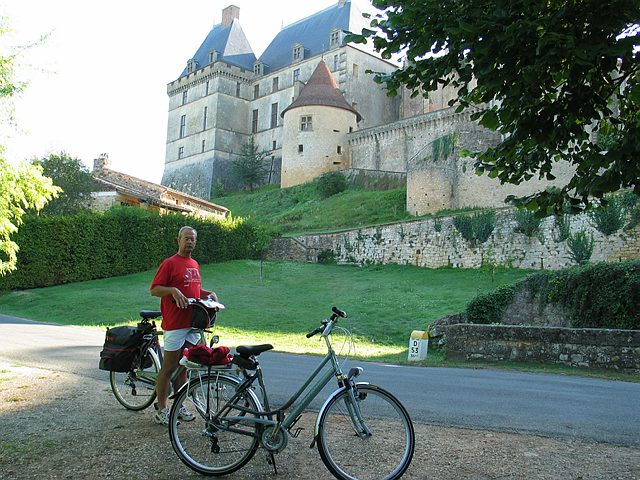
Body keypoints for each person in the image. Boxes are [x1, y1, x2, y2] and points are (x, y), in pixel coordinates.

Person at [149, 225, 218, 425]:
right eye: (186, 238)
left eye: (193, 239)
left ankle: (179, 405)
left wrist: (208, 294)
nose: (190, 242)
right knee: (169, 366)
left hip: (192, 323)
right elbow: (154, 289)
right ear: (178, 240)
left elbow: (194, 291)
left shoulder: (194, 264)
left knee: (185, 366)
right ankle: (162, 409)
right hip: (175, 324)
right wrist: (171, 290)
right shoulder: (169, 263)